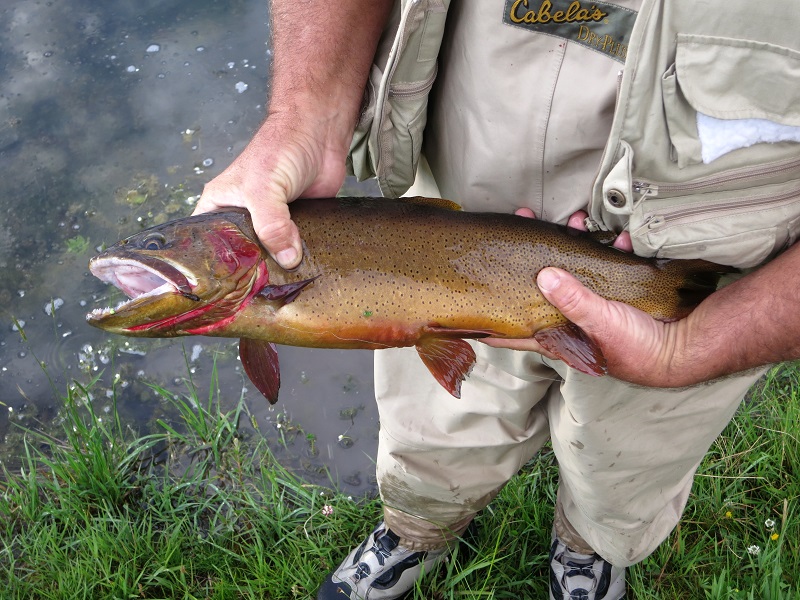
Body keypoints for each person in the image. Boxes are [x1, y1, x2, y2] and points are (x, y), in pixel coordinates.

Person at [194, 1, 800, 598]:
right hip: (458, 184)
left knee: (629, 458)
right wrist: (302, 112)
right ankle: (414, 529)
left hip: (705, 230)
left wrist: (697, 345)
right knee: (433, 423)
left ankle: (591, 548)